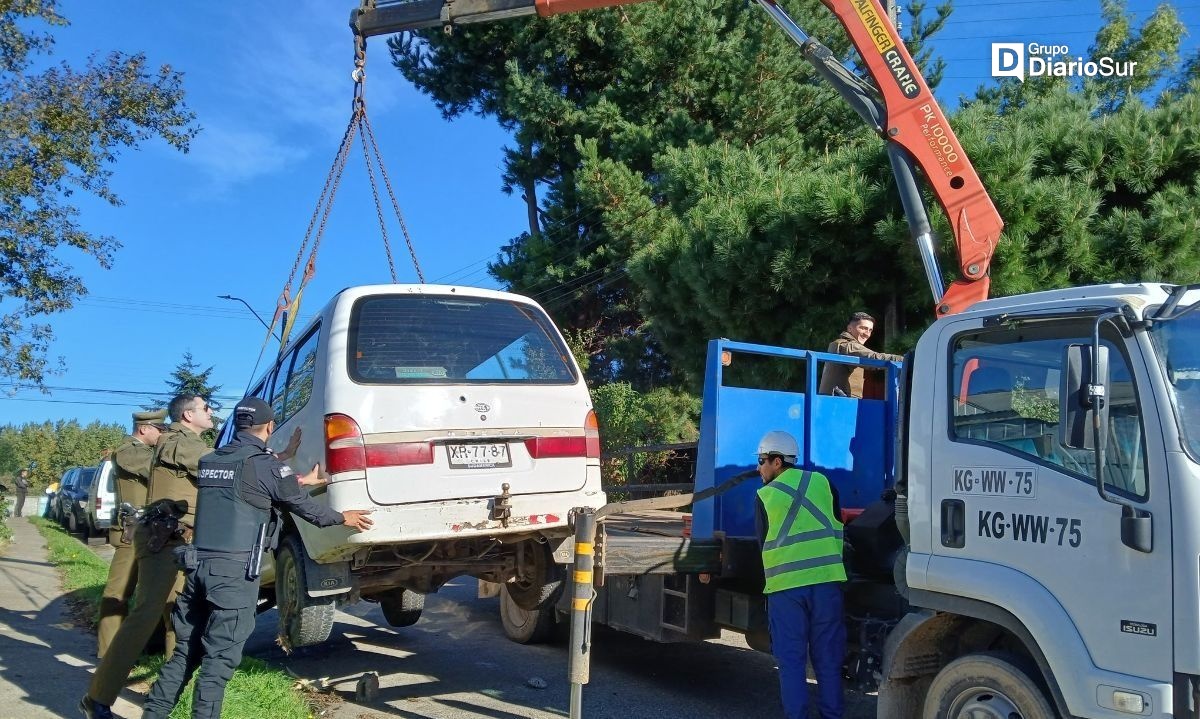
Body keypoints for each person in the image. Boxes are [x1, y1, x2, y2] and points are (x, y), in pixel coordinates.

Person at [141, 397, 374, 719]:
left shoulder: (212, 460)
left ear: (238, 424)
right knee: (217, 662)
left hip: (197, 569)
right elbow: (303, 508)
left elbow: (249, 483)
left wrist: (289, 468)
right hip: (233, 577)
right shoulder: (266, 466)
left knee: (184, 655)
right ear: (270, 426)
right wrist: (342, 517)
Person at [81, 394, 214, 719]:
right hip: (156, 537)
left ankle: (170, 686)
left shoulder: (174, 443)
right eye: (206, 408)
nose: (212, 412)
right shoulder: (173, 443)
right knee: (127, 602)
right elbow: (221, 464)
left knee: (176, 612)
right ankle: (100, 689)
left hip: (173, 537)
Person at [755, 430, 846, 719]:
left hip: (787, 590)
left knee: (792, 662)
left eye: (761, 461)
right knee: (828, 660)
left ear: (777, 462)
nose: (759, 468)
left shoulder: (765, 496)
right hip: (827, 584)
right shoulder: (824, 483)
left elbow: (762, 544)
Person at [96, 409, 167, 659]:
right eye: (160, 430)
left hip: (152, 531)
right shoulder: (129, 451)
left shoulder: (144, 451)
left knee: (154, 593)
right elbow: (156, 470)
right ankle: (109, 654)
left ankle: (151, 648)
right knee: (118, 593)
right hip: (133, 531)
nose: (162, 435)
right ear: (144, 428)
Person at [818, 311, 903, 399]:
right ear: (849, 328)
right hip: (839, 402)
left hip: (837, 400)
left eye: (870, 330)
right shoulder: (847, 345)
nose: (867, 334)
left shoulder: (842, 344)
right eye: (863, 328)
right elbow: (874, 358)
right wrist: (905, 359)